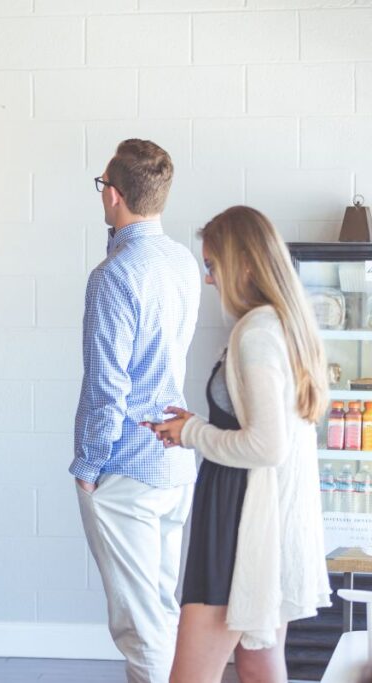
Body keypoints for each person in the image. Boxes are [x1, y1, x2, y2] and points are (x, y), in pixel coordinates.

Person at [146, 206, 331, 683]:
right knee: (258, 664)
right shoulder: (283, 325)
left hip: (238, 521)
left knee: (191, 676)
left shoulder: (257, 333)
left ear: (244, 264)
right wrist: (198, 425)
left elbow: (268, 446)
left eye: (212, 265)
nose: (209, 279)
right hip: (261, 518)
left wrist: (191, 434)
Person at [69, 138, 200, 683]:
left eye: (103, 187)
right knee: (161, 612)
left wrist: (88, 467)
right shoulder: (182, 261)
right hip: (174, 461)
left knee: (140, 628)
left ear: (115, 196)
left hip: (124, 467)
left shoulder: (113, 274)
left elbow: (108, 386)